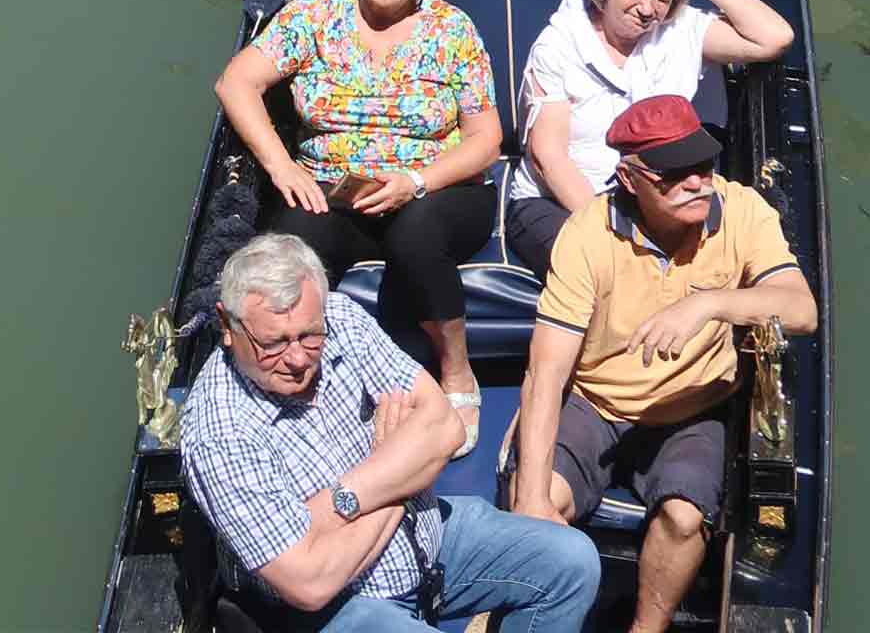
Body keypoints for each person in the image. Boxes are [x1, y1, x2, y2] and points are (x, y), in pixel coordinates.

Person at [182, 232, 601, 632]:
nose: (296, 359)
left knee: (571, 561)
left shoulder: (340, 317)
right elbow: (309, 584)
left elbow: (445, 425)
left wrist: (340, 504)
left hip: (427, 541)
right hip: (337, 609)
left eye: (309, 336)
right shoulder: (219, 433)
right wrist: (399, 468)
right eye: (272, 343)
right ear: (226, 324)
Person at [507, 95, 817, 633]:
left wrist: (707, 303)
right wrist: (532, 500)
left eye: (702, 164)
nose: (697, 181)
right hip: (596, 401)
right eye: (676, 174)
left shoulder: (741, 211)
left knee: (684, 516)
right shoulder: (587, 234)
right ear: (630, 178)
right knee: (537, 502)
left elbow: (800, 308)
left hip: (693, 409)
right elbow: (548, 372)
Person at [215, 0, 500, 456]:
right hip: (333, 188)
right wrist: (281, 165)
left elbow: (486, 139)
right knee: (292, 245)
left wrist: (416, 181)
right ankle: (298, 376)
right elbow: (236, 82)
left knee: (415, 231)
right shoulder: (316, 14)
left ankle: (457, 370)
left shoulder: (452, 31)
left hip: (433, 190)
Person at [506, 0, 793, 279]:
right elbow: (548, 156)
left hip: (656, 198)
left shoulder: (681, 31)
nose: (647, 9)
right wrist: (613, 230)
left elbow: (774, 38)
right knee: (619, 280)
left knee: (721, 268)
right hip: (558, 203)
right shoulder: (558, 45)